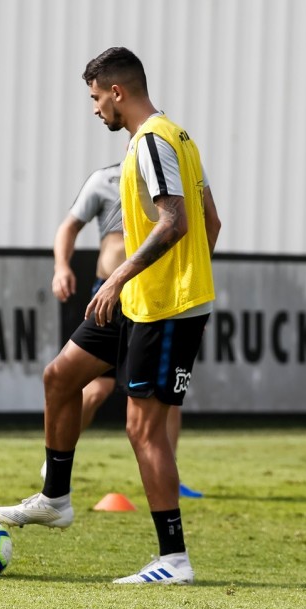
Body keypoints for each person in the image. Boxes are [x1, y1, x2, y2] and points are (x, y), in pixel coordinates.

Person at [0, 47, 221, 585]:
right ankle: (55, 497)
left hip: (162, 306)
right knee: (60, 376)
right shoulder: (179, 138)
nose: (95, 109)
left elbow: (178, 222)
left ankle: (173, 559)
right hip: (139, 300)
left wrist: (131, 279)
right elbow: (212, 222)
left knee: (144, 431)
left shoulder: (153, 141)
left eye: (96, 97)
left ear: (117, 91)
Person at [50, 162, 216, 499]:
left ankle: (170, 476)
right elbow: (69, 227)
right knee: (92, 388)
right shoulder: (105, 179)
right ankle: (59, 457)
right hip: (111, 295)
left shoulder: (176, 176)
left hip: (156, 299)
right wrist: (61, 267)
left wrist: (190, 274)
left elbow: (210, 222)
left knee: (161, 402)